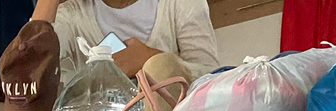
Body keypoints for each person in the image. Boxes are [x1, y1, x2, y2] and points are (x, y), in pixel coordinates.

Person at [43, 0, 219, 84]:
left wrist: (155, 60)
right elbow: (28, 70)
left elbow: (214, 80)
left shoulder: (181, 4)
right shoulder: (71, 15)